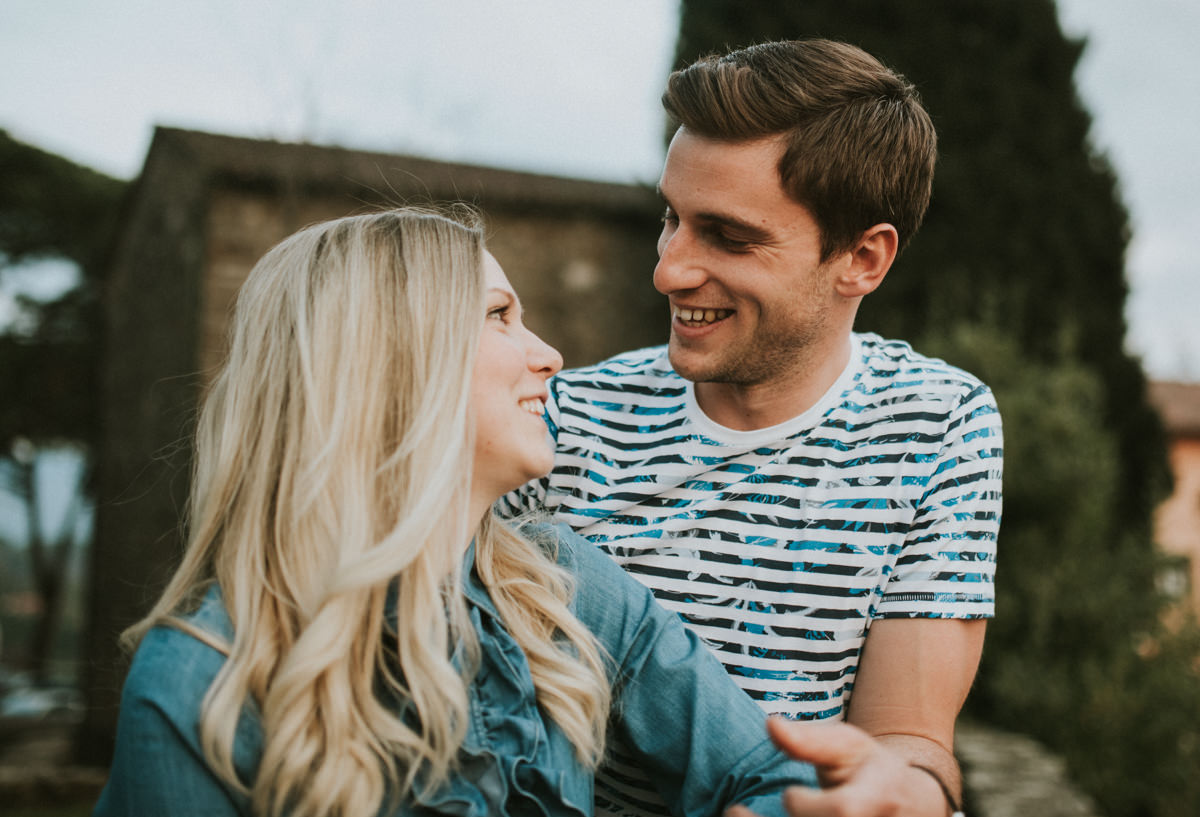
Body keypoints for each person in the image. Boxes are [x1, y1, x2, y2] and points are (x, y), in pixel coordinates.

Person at [91, 208, 820, 817]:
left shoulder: (563, 587)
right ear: (392, 360)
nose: (550, 355)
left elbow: (773, 771)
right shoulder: (199, 684)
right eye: (500, 315)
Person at [501, 40, 1001, 817]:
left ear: (862, 259)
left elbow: (907, 737)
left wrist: (907, 794)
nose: (670, 268)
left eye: (727, 236)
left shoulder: (940, 424)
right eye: (672, 218)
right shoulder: (561, 416)